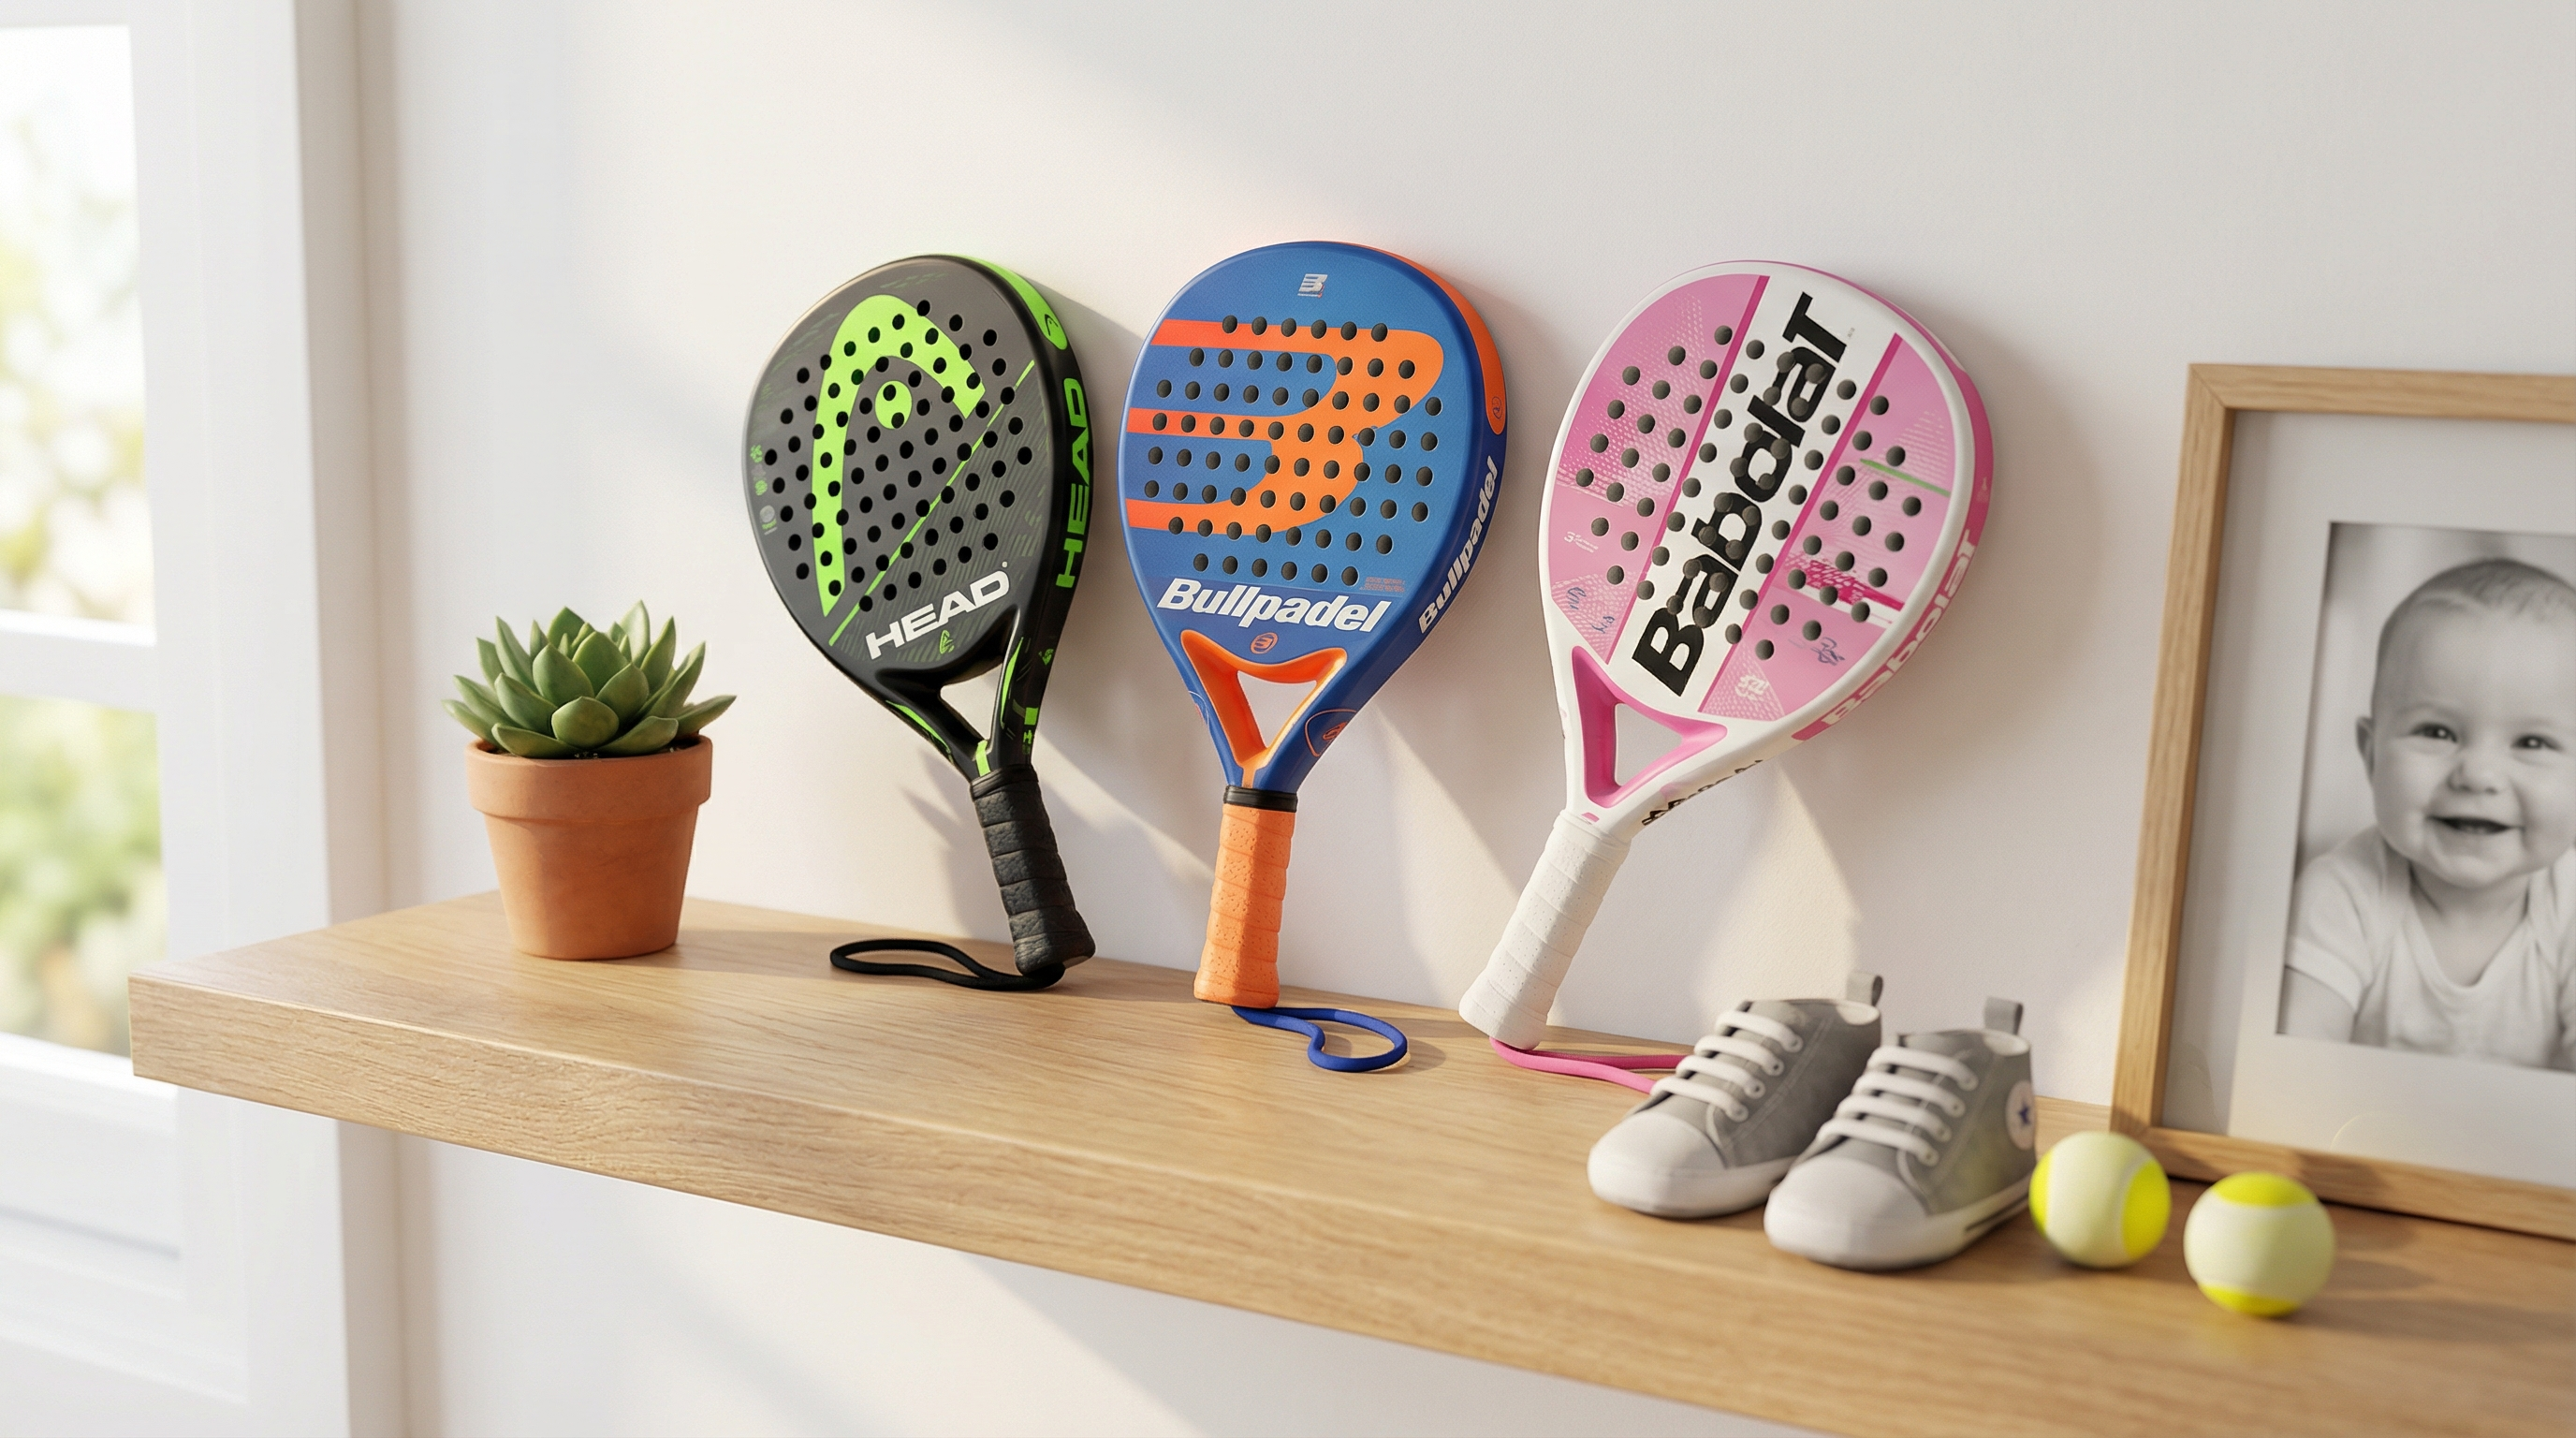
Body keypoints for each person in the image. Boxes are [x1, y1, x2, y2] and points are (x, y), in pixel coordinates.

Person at [2279, 557, 2576, 1069]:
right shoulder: (2341, 896)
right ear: (2371, 755)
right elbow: (2297, 1077)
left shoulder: (2568, 909)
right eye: (2437, 732)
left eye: (2532, 742)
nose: (2479, 774)